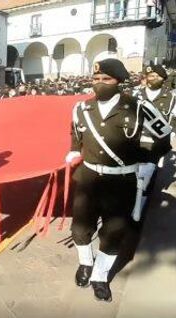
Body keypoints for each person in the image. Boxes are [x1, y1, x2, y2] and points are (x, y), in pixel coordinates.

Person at [66, 59, 171, 302]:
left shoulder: (137, 107)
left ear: (118, 81)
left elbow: (163, 136)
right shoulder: (81, 108)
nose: (99, 84)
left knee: (113, 232)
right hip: (88, 178)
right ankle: (85, 264)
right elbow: (75, 132)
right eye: (96, 79)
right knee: (80, 228)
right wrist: (74, 150)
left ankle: (100, 276)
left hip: (121, 181)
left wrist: (148, 159)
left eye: (106, 79)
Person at [131, 65, 174, 207]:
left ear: (163, 78)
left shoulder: (172, 97)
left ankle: (141, 207)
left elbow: (174, 120)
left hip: (157, 143)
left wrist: (171, 134)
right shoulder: (135, 94)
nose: (153, 78)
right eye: (151, 75)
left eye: (157, 76)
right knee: (135, 176)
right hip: (136, 141)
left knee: (147, 179)